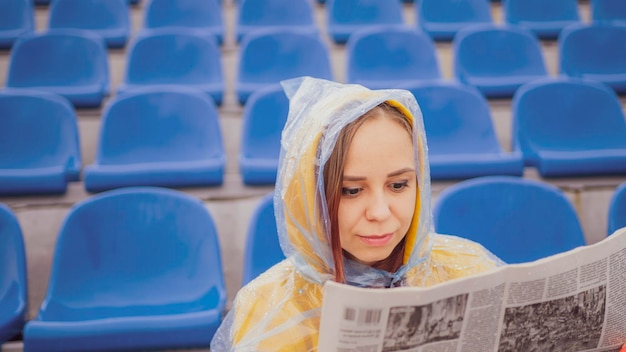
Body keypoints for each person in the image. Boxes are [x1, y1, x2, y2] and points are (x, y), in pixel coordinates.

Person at [210, 77, 503, 351]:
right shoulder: (268, 307)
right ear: (312, 197)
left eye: (398, 185)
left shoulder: (469, 269)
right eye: (351, 190)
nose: (379, 212)